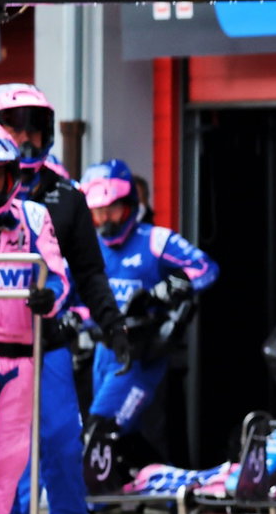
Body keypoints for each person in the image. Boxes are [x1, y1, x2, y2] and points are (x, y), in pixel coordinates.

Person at [0, 84, 127, 514]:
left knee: (62, 449)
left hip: (45, 342)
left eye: (34, 126)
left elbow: (86, 273)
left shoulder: (63, 197)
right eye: (14, 125)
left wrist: (112, 326)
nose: (26, 137)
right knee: (7, 465)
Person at [78, 159, 218, 485]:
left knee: (102, 427)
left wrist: (169, 289)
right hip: (104, 351)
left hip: (142, 354)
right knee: (123, 434)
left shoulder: (155, 240)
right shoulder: (88, 246)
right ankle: (177, 494)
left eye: (111, 211)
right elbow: (70, 297)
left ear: (129, 205)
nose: (105, 221)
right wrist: (79, 320)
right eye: (97, 213)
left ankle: (82, 507)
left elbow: (206, 269)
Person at [0, 124, 69, 514]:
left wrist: (49, 298)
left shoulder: (36, 217)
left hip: (22, 359)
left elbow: (58, 277)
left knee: (8, 468)